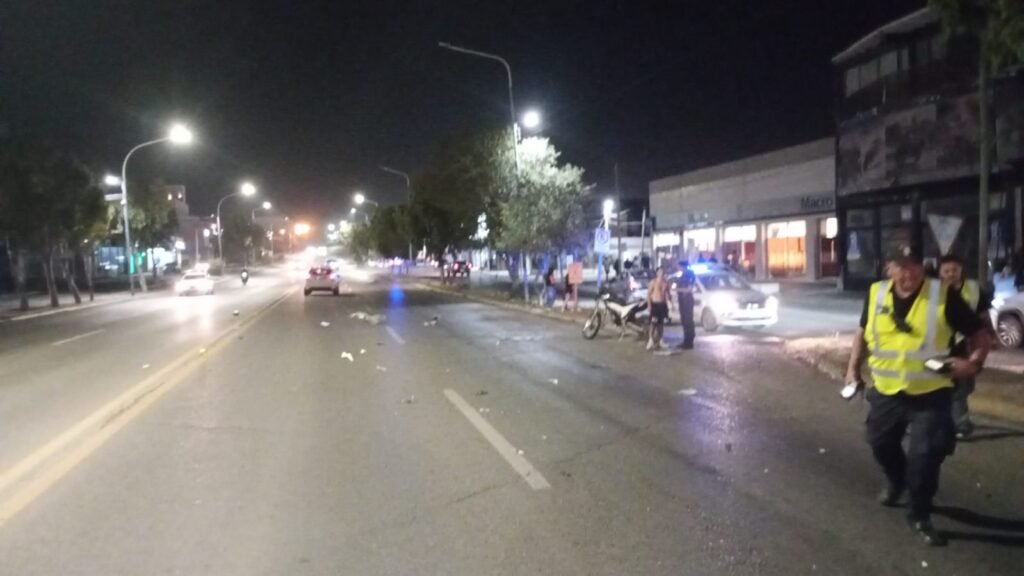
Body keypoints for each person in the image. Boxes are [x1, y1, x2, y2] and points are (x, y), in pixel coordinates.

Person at [845, 254, 990, 547]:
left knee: (925, 457)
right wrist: (852, 369)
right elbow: (862, 332)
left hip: (931, 393)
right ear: (889, 268)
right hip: (887, 391)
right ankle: (898, 481)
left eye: (913, 267)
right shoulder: (876, 293)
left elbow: (979, 333)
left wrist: (973, 363)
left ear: (923, 268)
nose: (908, 274)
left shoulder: (942, 295)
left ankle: (919, 514)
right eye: (900, 267)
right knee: (879, 443)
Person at [937, 254, 992, 439]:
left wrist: (989, 335)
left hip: (967, 344)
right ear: (940, 272)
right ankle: (960, 423)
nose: (951, 274)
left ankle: (950, 417)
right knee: (954, 385)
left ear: (961, 270)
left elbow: (983, 315)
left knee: (965, 385)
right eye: (946, 271)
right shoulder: (934, 291)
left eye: (954, 270)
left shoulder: (973, 289)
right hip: (943, 345)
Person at [646, 267, 669, 350]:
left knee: (661, 324)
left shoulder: (665, 282)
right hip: (655, 305)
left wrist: (670, 304)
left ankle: (660, 340)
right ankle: (650, 340)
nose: (661, 273)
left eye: (662, 272)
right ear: (657, 273)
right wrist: (649, 305)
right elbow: (648, 294)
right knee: (653, 323)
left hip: (662, 305)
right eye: (660, 272)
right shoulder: (653, 282)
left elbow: (667, 294)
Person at [675, 261, 696, 349]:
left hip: (687, 300)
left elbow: (689, 289)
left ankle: (689, 342)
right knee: (684, 321)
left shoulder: (690, 275)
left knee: (688, 321)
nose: (678, 268)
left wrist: (677, 289)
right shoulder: (682, 276)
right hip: (682, 300)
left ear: (683, 266)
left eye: (679, 266)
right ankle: (686, 341)